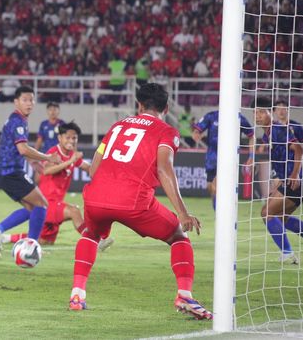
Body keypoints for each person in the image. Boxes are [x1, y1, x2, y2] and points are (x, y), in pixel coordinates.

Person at [69, 83, 212, 320]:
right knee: (178, 235)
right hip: (133, 201)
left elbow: (94, 168)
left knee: (91, 235)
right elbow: (165, 169)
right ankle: (185, 295)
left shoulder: (116, 126)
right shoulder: (167, 132)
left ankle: (77, 295)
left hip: (96, 197)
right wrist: (183, 213)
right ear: (166, 107)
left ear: (139, 105)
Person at [0, 121, 114, 251]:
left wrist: (106, 170)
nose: (71, 141)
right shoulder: (54, 153)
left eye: (74, 138)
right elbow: (46, 171)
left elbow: (88, 168)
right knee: (74, 211)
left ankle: (7, 238)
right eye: (68, 137)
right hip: (46, 203)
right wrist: (70, 161)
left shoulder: (72, 155)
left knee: (44, 240)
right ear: (60, 138)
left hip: (55, 204)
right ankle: (95, 241)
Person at [0, 86, 62, 251]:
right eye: (25, 100)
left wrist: (33, 162)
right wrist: (47, 157)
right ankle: (31, 246)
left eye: (31, 100)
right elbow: (23, 149)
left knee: (31, 209)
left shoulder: (19, 119)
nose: (29, 103)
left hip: (4, 172)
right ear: (16, 102)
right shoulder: (17, 121)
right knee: (41, 204)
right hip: (10, 172)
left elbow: (19, 149)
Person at [254, 97, 303, 264]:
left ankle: (288, 254)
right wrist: (280, 180)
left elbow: (298, 148)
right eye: (255, 112)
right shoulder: (266, 136)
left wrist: (295, 174)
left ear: (271, 112)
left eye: (262, 112)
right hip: (291, 180)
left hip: (297, 178)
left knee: (266, 213)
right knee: (281, 217)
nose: (258, 116)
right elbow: (280, 159)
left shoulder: (278, 129)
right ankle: (287, 252)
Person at [192, 110, 255, 210]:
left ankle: (222, 219)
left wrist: (251, 156)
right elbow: (196, 131)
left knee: (217, 188)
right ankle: (219, 213)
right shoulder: (212, 116)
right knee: (211, 188)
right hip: (211, 159)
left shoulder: (239, 118)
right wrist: (196, 134)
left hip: (229, 159)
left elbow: (252, 136)